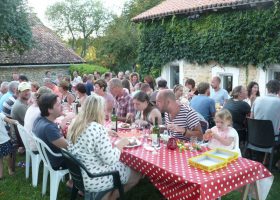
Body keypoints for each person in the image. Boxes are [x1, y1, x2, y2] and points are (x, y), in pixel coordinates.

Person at [67, 94, 141, 199]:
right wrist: (120, 144)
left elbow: (88, 134)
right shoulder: (97, 128)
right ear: (98, 110)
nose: (105, 113)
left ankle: (105, 195)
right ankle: (110, 197)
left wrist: (106, 132)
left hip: (78, 174)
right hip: (94, 178)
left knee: (123, 164)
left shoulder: (75, 123)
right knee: (136, 173)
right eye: (104, 110)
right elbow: (110, 160)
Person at [33, 93, 68, 170]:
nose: (62, 106)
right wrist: (66, 119)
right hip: (58, 161)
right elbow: (68, 146)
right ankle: (73, 180)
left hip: (48, 157)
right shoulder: (49, 128)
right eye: (58, 105)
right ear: (50, 110)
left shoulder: (40, 118)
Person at [24, 86, 53, 151]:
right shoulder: (40, 111)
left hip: (29, 141)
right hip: (37, 145)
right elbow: (50, 126)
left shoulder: (31, 107)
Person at [0, 113, 17, 178]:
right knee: (5, 157)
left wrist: (15, 122)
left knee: (5, 157)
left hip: (4, 140)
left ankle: (6, 171)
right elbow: (9, 121)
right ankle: (5, 172)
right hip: (4, 140)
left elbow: (9, 120)